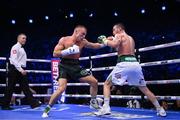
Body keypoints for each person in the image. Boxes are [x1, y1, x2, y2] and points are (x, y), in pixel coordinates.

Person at [95, 23, 167, 117]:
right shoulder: (131, 38)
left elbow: (115, 44)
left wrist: (105, 41)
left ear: (119, 29)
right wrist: (110, 39)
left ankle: (106, 107)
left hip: (124, 64)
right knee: (144, 89)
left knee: (107, 84)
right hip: (135, 64)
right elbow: (121, 47)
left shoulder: (119, 35)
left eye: (114, 30)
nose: (113, 32)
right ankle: (160, 109)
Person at [42, 25, 104, 118]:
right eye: (82, 34)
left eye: (85, 35)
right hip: (64, 65)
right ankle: (47, 109)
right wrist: (68, 51)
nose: (83, 36)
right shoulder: (64, 40)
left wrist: (106, 43)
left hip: (75, 66)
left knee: (94, 82)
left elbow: (94, 46)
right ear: (75, 32)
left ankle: (93, 102)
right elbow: (55, 53)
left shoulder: (83, 42)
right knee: (61, 89)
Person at [1, 33, 41, 110]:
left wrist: (21, 69)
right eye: (23, 38)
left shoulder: (21, 48)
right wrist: (21, 69)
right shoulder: (15, 47)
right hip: (15, 69)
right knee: (10, 87)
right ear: (18, 39)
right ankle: (5, 105)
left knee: (25, 87)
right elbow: (14, 60)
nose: (24, 40)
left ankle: (33, 103)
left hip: (19, 69)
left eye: (25, 38)